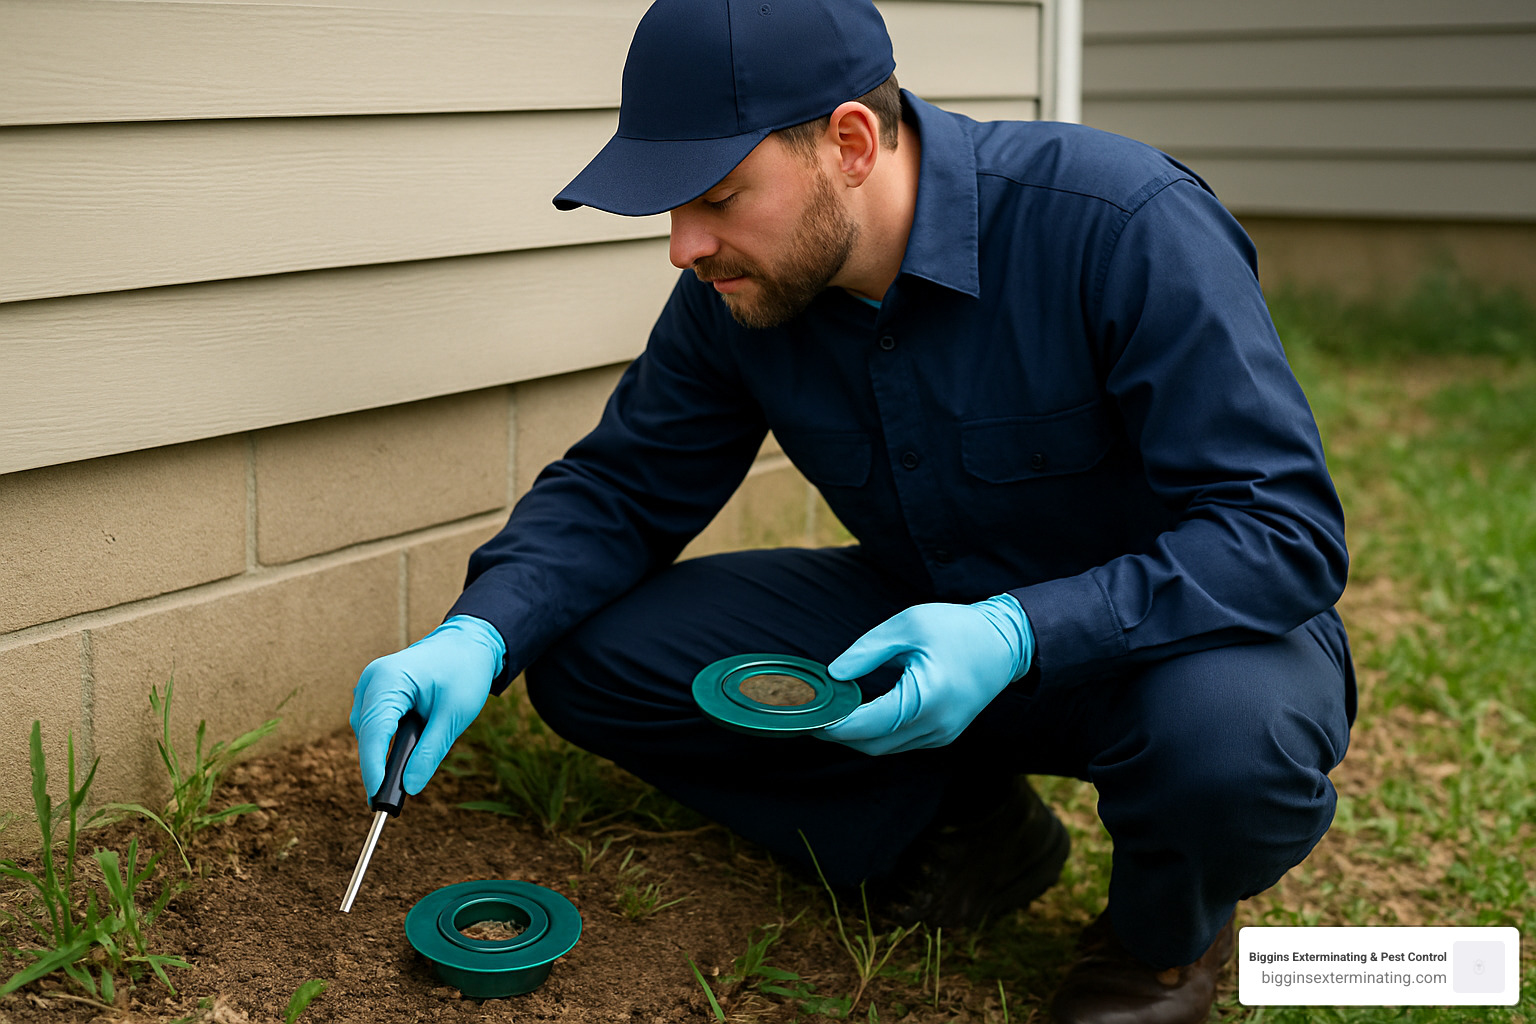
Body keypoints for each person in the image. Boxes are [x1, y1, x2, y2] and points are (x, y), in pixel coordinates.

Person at [349, 1, 1356, 1021]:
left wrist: (1018, 631)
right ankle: (965, 831)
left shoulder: (1123, 223)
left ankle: (1157, 947)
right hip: (919, 619)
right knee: (586, 654)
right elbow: (624, 487)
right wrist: (479, 633)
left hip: (1170, 646)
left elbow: (1283, 531)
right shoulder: (738, 288)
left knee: (1228, 748)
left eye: (718, 197)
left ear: (851, 143)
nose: (684, 246)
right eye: (673, 207)